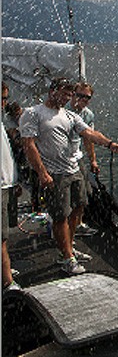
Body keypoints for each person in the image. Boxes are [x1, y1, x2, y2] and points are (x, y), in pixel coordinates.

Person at [19, 77, 118, 275]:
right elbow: (29, 145)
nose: (67, 97)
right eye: (64, 93)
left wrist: (109, 144)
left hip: (74, 170)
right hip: (55, 175)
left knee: (78, 208)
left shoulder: (69, 115)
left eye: (69, 93)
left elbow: (90, 133)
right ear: (52, 91)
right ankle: (66, 258)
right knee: (60, 216)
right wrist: (42, 173)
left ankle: (68, 247)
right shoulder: (34, 114)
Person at [67, 82, 99, 237]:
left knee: (83, 194)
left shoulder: (88, 115)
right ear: (73, 94)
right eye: (80, 95)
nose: (83, 99)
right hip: (60, 160)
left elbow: (89, 139)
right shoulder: (62, 110)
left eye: (87, 97)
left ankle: (77, 224)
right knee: (65, 198)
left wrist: (93, 160)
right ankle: (63, 229)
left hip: (77, 158)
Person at [2, 83, 20, 292]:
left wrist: (14, 181)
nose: (4, 103)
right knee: (2, 236)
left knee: (6, 232)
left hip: (7, 184)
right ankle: (8, 283)